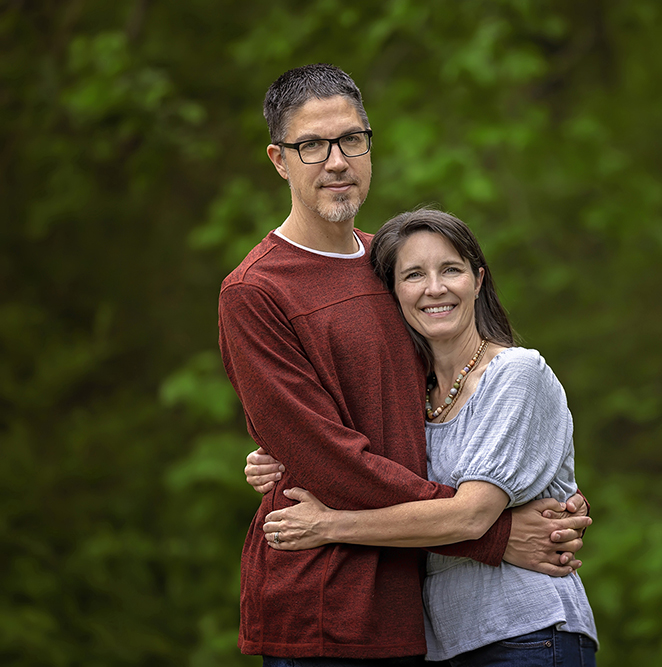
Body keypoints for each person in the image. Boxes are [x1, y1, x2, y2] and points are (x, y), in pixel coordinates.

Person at [219, 63, 590, 665]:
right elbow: (328, 457)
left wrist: (546, 488)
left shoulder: (392, 268)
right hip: (324, 604)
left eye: (352, 140)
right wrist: (492, 532)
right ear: (279, 159)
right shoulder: (256, 291)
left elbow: (452, 405)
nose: (336, 161)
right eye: (311, 145)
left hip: (417, 611)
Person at [247, 208, 599, 666]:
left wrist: (330, 525)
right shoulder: (415, 395)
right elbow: (378, 470)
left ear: (477, 279)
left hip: (527, 632)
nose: (435, 288)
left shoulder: (516, 374)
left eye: (450, 269)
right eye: (414, 275)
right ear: (394, 293)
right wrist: (282, 457)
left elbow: (469, 517)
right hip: (445, 644)